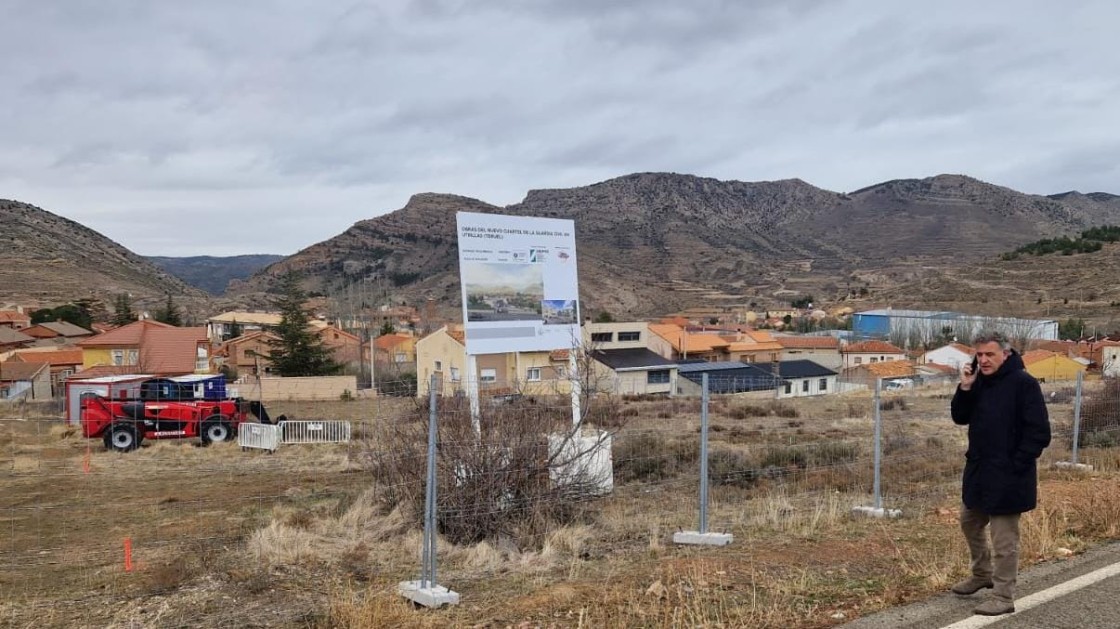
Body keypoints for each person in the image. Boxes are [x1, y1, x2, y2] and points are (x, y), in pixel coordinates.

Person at [949, 330, 1051, 616]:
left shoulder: (1024, 384)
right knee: (970, 522)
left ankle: (1003, 596)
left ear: (1005, 354)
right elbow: (959, 417)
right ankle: (982, 574)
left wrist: (1016, 464)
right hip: (980, 473)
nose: (983, 360)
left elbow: (1040, 432)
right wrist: (965, 387)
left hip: (1010, 475)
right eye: (979, 354)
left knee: (1004, 541)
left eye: (989, 354)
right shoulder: (977, 381)